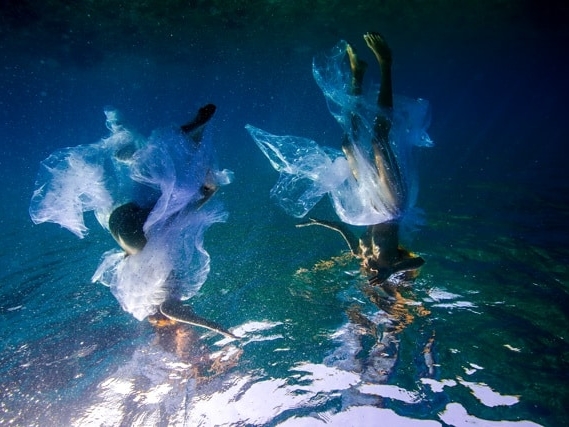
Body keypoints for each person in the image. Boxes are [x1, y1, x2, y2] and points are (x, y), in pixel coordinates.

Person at [30, 104, 235, 337]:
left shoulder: (165, 303)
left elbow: (171, 310)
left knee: (186, 192)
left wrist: (219, 329)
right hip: (120, 228)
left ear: (165, 319)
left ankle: (178, 146)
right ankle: (138, 158)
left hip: (137, 238)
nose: (188, 312)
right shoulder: (141, 298)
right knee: (165, 199)